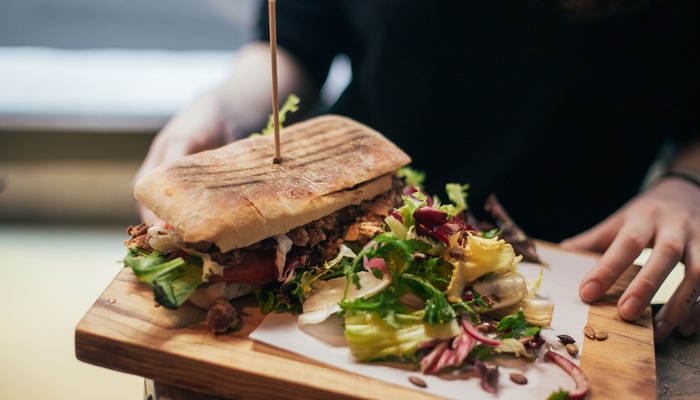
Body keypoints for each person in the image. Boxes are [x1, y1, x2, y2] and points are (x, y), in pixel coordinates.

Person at [135, 0, 700, 342]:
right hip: (358, 206)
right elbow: (294, 44)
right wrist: (224, 105)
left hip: (575, 262)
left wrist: (687, 184)